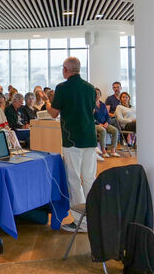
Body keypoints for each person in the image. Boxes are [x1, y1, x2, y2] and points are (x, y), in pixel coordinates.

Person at [46, 57, 97, 233]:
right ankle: (94, 216)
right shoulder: (90, 88)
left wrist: (47, 103)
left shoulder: (62, 88)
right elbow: (91, 110)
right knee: (89, 178)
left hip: (72, 139)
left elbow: (53, 113)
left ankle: (81, 222)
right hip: (90, 138)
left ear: (66, 69)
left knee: (74, 179)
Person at [94, 88, 119, 158]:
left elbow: (107, 116)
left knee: (115, 130)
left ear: (100, 94)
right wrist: (99, 124)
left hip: (105, 123)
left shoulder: (103, 105)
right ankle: (103, 150)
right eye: (95, 93)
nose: (97, 95)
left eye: (98, 93)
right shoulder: (90, 104)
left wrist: (107, 123)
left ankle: (113, 151)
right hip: (95, 124)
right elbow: (90, 117)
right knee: (103, 130)